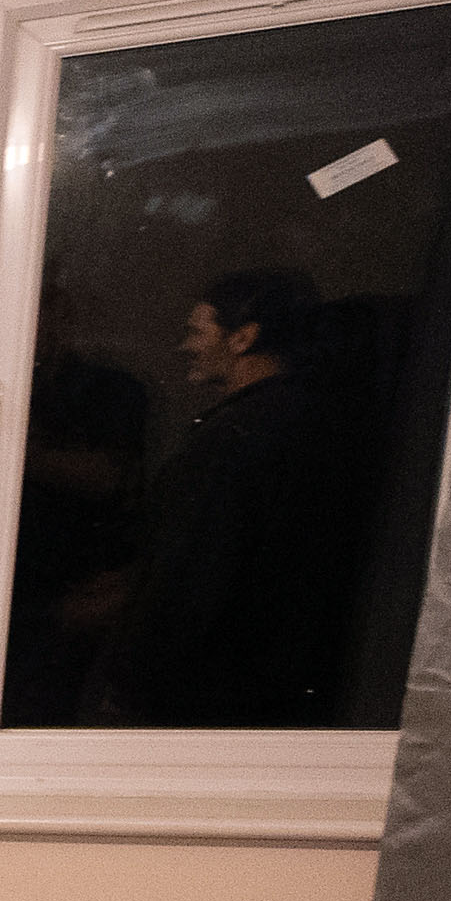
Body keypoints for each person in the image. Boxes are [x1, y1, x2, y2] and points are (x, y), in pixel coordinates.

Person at [83, 266, 361, 728]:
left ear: (242, 338)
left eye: (197, 331)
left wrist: (128, 686)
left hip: (202, 698)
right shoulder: (317, 422)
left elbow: (193, 573)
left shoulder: (233, 440)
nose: (186, 346)